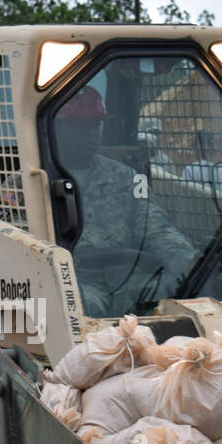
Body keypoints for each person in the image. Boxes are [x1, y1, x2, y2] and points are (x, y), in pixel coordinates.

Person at [55, 85, 196, 314]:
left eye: (95, 124)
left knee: (173, 304)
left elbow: (155, 226)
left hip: (128, 277)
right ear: (58, 129)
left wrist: (186, 261)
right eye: (80, 125)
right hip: (74, 282)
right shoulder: (30, 183)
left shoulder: (129, 178)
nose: (91, 133)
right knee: (80, 309)